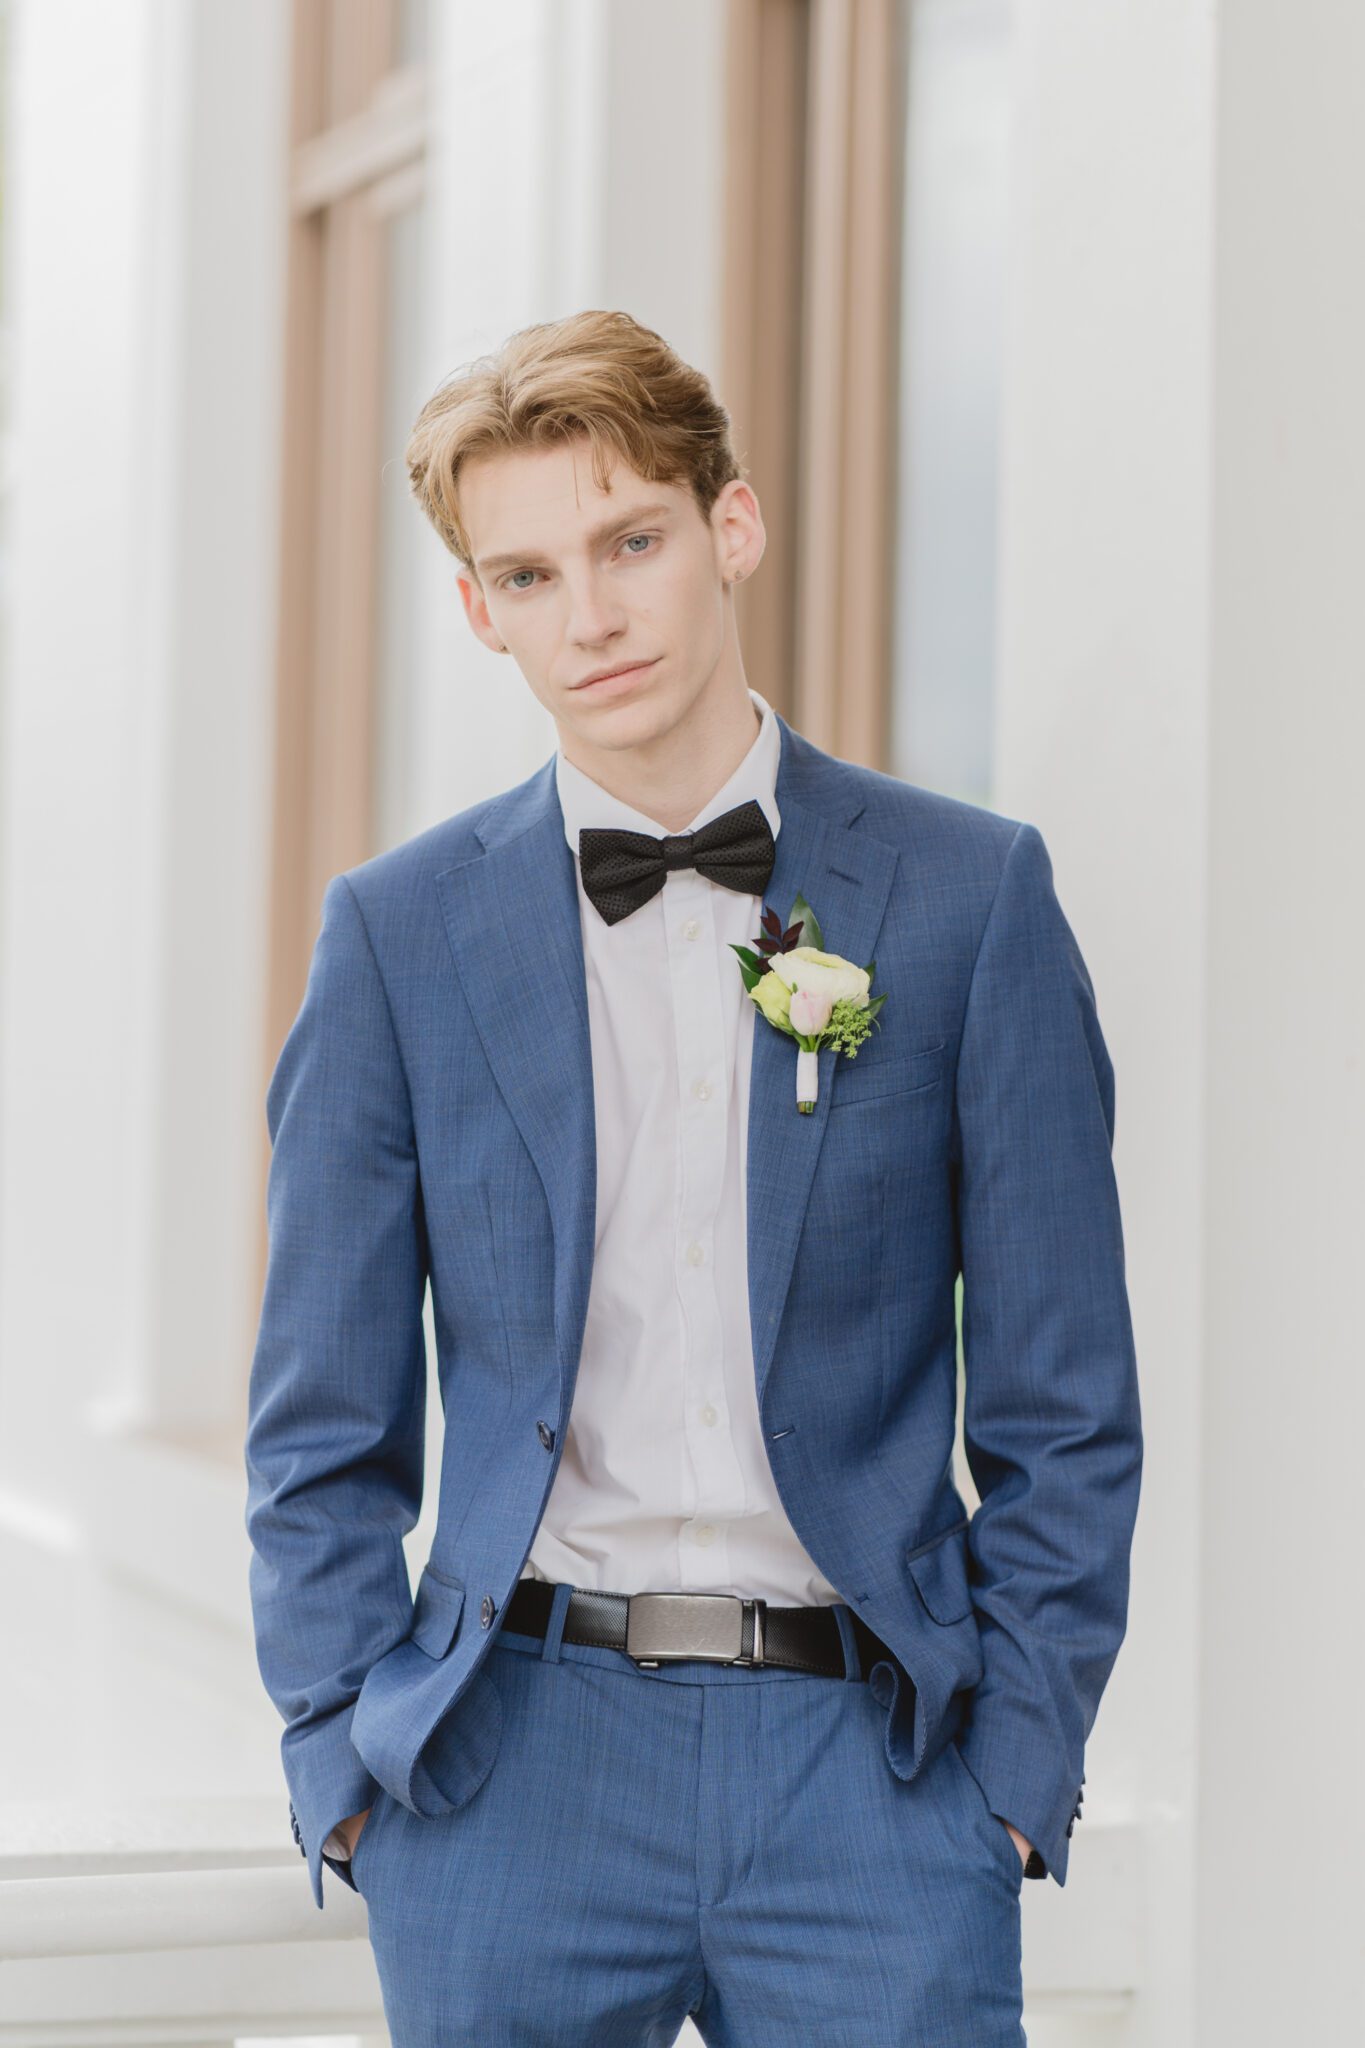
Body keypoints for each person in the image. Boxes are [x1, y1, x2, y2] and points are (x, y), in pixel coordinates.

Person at [244, 308, 1142, 2045]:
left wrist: (1012, 1778)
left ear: (727, 528)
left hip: (874, 1773)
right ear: (477, 613)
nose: (588, 614)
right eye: (525, 576)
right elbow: (318, 1420)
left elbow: (1065, 1401)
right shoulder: (395, 937)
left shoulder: (970, 903)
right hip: (512, 1769)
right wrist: (343, 1766)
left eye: (628, 542)